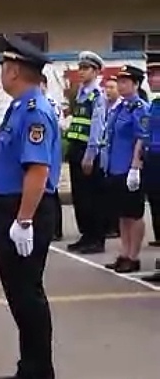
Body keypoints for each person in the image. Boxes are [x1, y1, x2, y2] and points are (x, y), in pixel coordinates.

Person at [0, 36, 60, 379]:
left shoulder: (34, 112)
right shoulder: (19, 107)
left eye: (3, 67)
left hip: (22, 210)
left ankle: (39, 371)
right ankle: (29, 367)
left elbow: (38, 170)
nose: (2, 73)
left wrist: (24, 220)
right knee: (19, 294)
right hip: (9, 209)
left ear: (13, 71)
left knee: (27, 295)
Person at [102, 66, 150, 274]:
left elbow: (142, 137)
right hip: (115, 167)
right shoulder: (121, 107)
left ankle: (133, 256)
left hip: (130, 167)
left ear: (136, 84)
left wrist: (135, 167)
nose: (121, 85)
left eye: (125, 81)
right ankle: (124, 253)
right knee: (122, 214)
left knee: (134, 213)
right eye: (119, 81)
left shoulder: (140, 108)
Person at [64, 50, 107, 254]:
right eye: (80, 68)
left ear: (96, 71)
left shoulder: (97, 95)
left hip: (88, 152)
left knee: (92, 198)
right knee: (80, 197)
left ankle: (96, 238)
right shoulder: (80, 93)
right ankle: (86, 235)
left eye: (86, 68)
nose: (81, 72)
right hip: (76, 148)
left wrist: (90, 155)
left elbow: (97, 127)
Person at [39, 74, 64, 241]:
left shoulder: (50, 103)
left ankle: (56, 229)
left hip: (50, 150)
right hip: (43, 149)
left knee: (51, 191)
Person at [99, 76, 122, 238]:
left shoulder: (121, 107)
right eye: (106, 87)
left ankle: (115, 227)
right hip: (105, 156)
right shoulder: (104, 106)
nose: (108, 90)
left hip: (117, 157)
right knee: (105, 193)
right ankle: (108, 225)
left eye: (112, 87)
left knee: (116, 195)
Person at [144, 53, 160, 249]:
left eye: (156, 73)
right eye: (150, 74)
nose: (152, 78)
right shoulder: (154, 104)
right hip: (153, 160)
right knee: (156, 205)